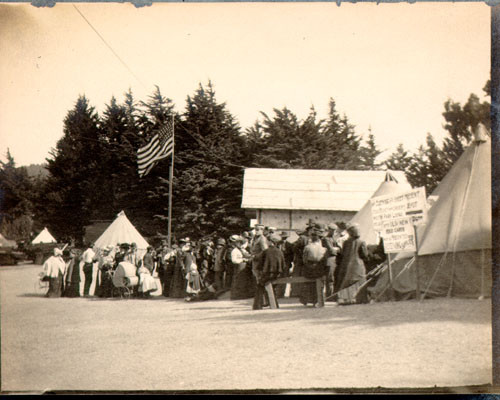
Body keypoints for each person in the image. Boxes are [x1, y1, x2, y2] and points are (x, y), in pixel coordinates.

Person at [336, 223, 370, 305]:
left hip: (347, 265)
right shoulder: (362, 242)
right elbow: (364, 255)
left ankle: (345, 298)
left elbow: (343, 253)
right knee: (360, 281)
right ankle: (361, 298)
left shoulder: (346, 243)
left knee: (346, 281)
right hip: (358, 265)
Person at [253, 233, 285, 310]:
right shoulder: (280, 252)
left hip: (267, 275)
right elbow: (283, 265)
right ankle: (275, 304)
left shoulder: (266, 252)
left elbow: (260, 264)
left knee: (259, 286)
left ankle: (257, 306)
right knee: (272, 288)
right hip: (277, 275)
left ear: (270, 241)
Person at [300, 224, 328, 307]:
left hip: (309, 269)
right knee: (319, 285)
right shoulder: (323, 248)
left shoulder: (308, 247)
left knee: (309, 285)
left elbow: (304, 260)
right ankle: (318, 300)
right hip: (319, 269)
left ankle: (308, 300)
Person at [322, 223, 343, 300]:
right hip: (330, 261)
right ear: (329, 230)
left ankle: (333, 295)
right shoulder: (326, 239)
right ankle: (329, 296)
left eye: (335, 230)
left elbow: (339, 249)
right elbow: (331, 251)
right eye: (333, 230)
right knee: (330, 279)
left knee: (334, 278)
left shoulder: (333, 239)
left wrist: (336, 249)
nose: (334, 232)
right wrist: (336, 249)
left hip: (335, 261)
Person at [230, 235, 254, 300]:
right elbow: (234, 260)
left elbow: (247, 254)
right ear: (235, 243)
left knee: (244, 281)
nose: (240, 244)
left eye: (241, 243)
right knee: (238, 281)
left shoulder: (242, 249)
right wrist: (242, 260)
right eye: (238, 243)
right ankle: (237, 296)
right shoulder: (234, 251)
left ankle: (244, 294)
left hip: (244, 267)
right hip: (239, 267)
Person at [274, 231, 294, 298]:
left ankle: (283, 292)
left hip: (286, 263)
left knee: (285, 277)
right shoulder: (277, 244)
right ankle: (278, 293)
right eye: (283, 237)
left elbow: (291, 255)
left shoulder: (289, 245)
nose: (284, 238)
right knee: (278, 277)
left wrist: (289, 262)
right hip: (278, 263)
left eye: (285, 237)